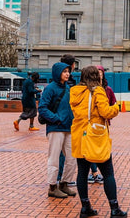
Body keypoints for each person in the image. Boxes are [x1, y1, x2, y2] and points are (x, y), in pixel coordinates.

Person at [70, 65, 127, 217]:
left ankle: (85, 207)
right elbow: (105, 112)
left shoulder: (74, 91)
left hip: (79, 136)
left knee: (82, 173)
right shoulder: (98, 91)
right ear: (96, 76)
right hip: (94, 137)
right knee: (108, 173)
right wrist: (115, 107)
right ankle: (115, 209)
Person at [38, 62, 77, 199]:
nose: (68, 74)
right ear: (57, 73)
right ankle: (52, 187)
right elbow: (42, 108)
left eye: (68, 71)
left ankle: (64, 184)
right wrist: (56, 118)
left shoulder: (68, 88)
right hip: (56, 128)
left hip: (68, 127)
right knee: (54, 158)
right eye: (64, 71)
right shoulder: (50, 88)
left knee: (72, 158)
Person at [86, 65, 116, 184]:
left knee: (102, 148)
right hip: (92, 125)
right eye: (96, 73)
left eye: (100, 73)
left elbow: (113, 103)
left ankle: (98, 171)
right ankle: (94, 172)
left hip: (104, 124)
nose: (99, 75)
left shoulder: (107, 89)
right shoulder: (89, 89)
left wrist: (110, 112)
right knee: (92, 148)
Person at [58, 54, 77, 185]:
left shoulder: (62, 81)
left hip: (62, 121)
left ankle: (61, 178)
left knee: (62, 152)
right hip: (65, 121)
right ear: (72, 65)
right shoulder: (69, 82)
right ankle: (62, 178)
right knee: (65, 152)